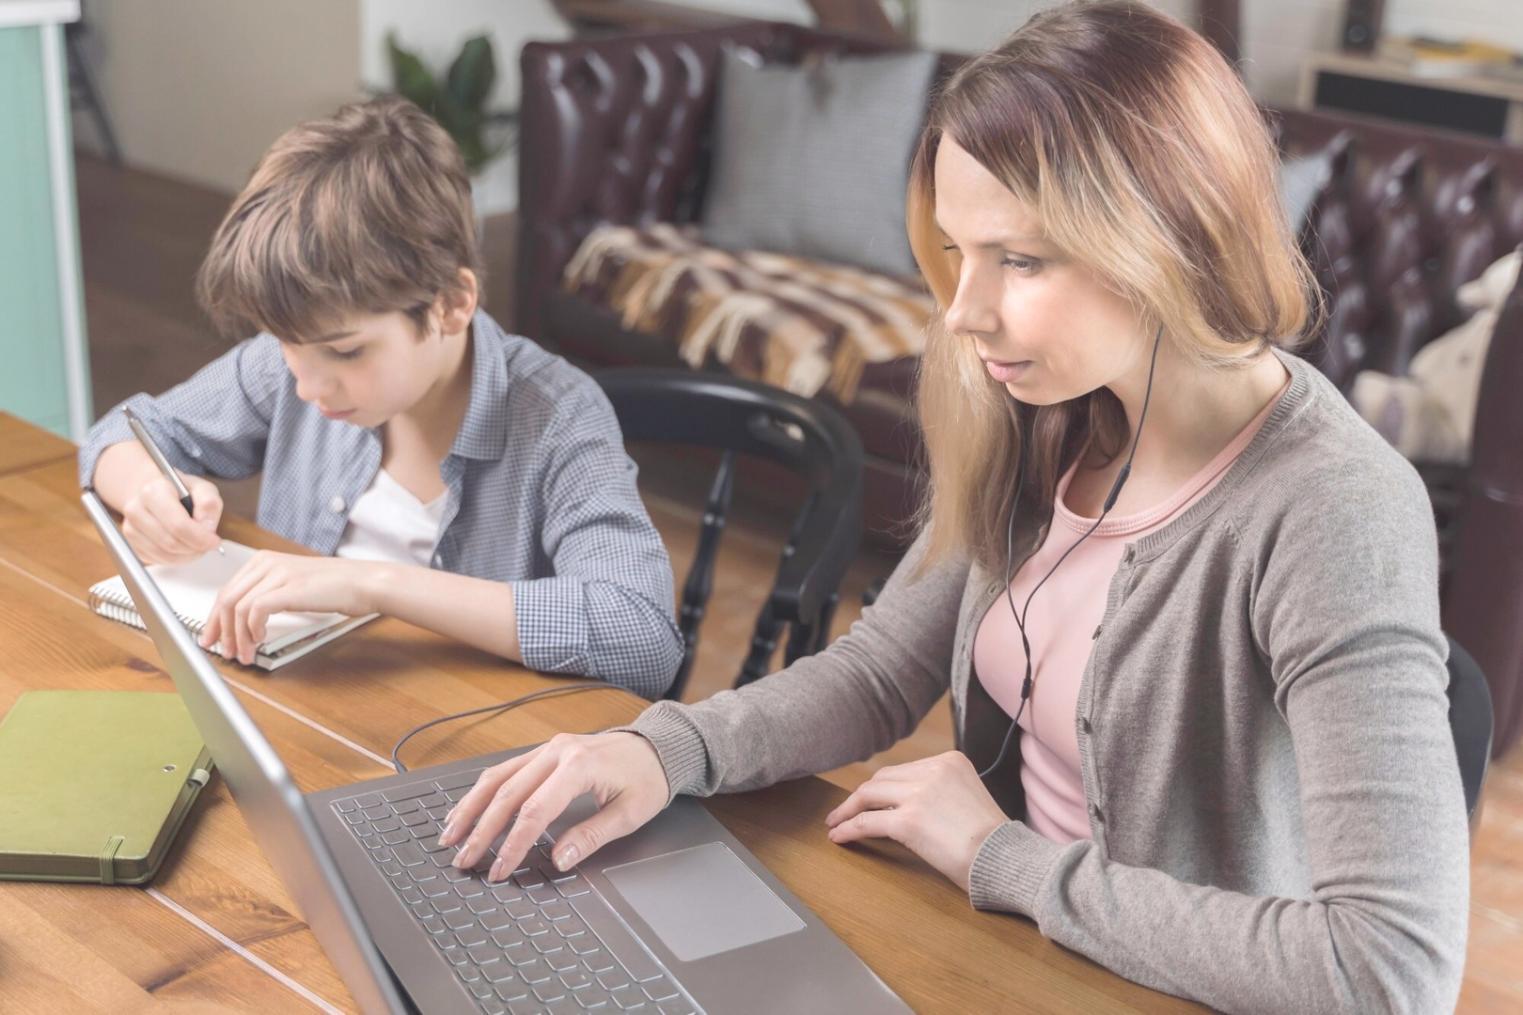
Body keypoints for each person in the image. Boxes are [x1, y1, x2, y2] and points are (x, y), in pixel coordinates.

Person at [438, 3, 1469, 1010]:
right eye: (957, 252)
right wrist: (663, 750)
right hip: (1002, 954)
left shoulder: (1332, 508)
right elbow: (881, 670)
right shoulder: (1046, 409)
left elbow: (1382, 968)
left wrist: (996, 855)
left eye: (1017, 259)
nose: (963, 311)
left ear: (1167, 236)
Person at [79, 97, 683, 699]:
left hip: (472, 750)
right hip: (300, 704)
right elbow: (124, 433)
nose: (308, 387)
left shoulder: (558, 417)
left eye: (346, 353)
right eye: (288, 346)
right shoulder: (296, 355)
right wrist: (146, 493)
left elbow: (642, 635)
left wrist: (373, 585)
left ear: (451, 303)